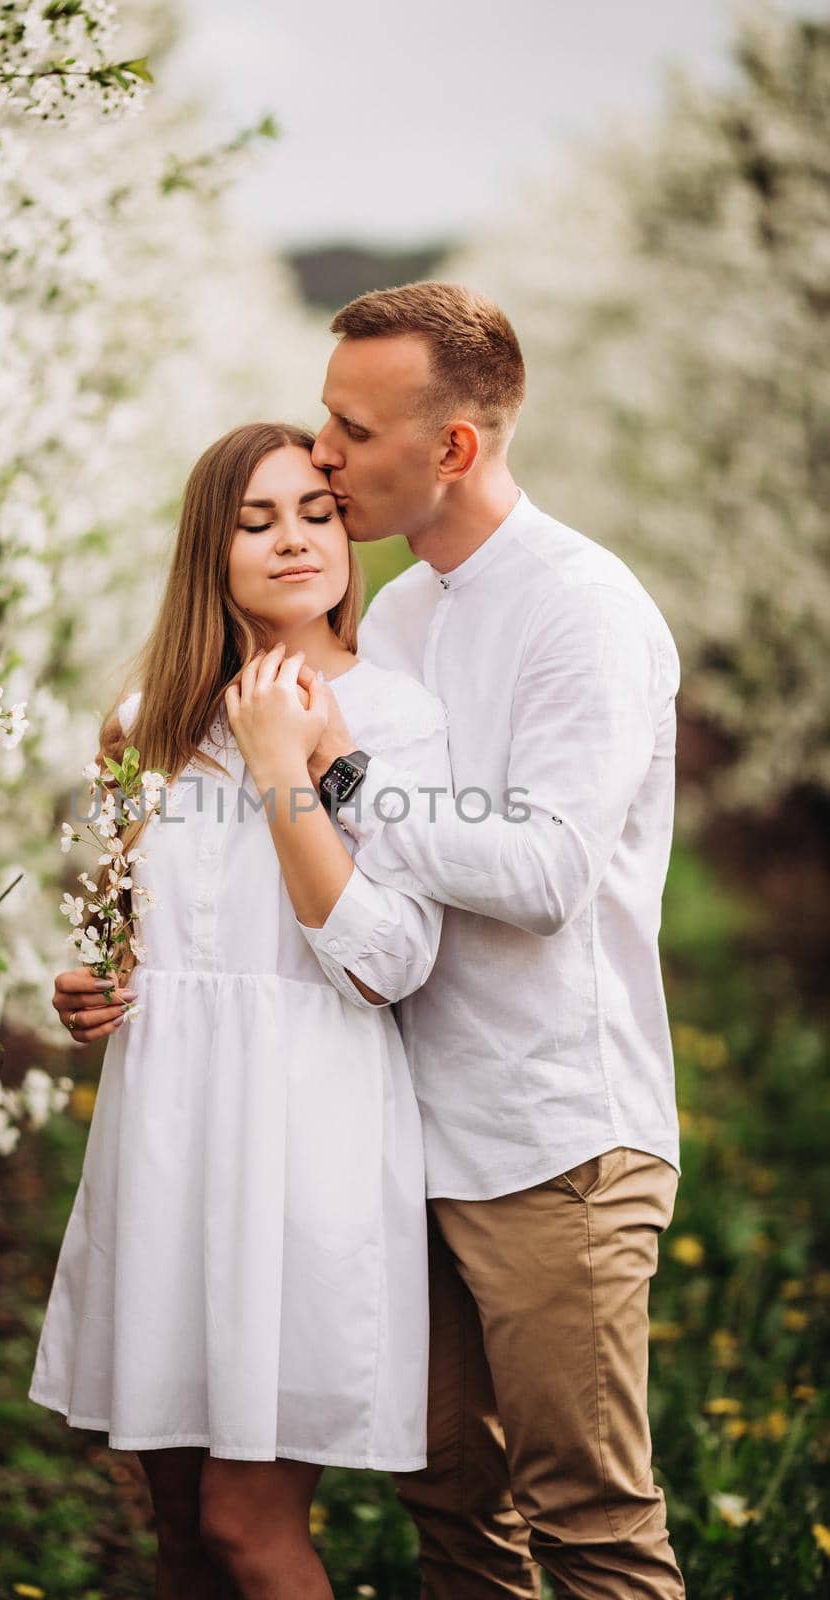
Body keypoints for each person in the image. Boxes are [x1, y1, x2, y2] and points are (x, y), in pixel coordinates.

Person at [291, 281, 686, 1599]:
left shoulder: (583, 608)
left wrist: (347, 781)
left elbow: (544, 872)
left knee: (587, 1520)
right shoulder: (396, 613)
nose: (321, 455)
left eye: (351, 429)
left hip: (552, 1136)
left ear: (451, 446)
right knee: (448, 1501)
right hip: (410, 1125)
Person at [30, 421, 453, 1600]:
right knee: (175, 1529)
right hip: (168, 1130)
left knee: (244, 1528)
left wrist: (289, 769)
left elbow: (384, 961)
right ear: (207, 552)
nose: (291, 542)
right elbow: (126, 924)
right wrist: (89, 986)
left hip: (303, 1134)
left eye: (313, 514)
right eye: (254, 521)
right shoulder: (144, 725)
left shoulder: (390, 718)